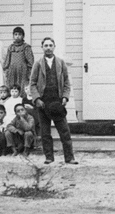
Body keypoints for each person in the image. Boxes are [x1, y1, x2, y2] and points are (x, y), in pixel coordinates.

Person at [29, 37, 77, 165]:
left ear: (54, 47)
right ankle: (49, 157)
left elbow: (66, 83)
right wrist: (37, 99)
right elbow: (32, 83)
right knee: (45, 132)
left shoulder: (61, 63)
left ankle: (69, 157)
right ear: (42, 47)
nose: (48, 48)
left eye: (50, 45)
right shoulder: (38, 64)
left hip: (57, 102)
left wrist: (65, 97)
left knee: (64, 131)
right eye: (46, 45)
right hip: (43, 103)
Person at [2, 26, 34, 95]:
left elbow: (30, 61)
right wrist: (6, 70)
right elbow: (7, 60)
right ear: (13, 36)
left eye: (19, 34)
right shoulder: (11, 47)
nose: (17, 36)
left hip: (22, 70)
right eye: (15, 34)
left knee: (22, 87)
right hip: (12, 71)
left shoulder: (26, 47)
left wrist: (29, 72)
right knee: (11, 86)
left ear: (23, 36)